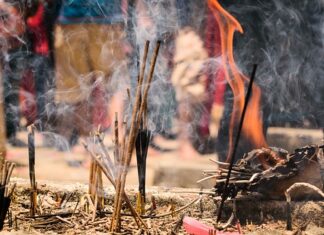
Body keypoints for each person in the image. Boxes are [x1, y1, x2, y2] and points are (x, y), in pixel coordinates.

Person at [54, 0, 125, 150]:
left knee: (113, 81)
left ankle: (117, 140)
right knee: (79, 85)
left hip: (100, 18)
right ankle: (89, 142)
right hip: (78, 18)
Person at [0, 0, 31, 146]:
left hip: (14, 46)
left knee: (11, 91)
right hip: (6, 46)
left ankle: (11, 134)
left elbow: (17, 25)